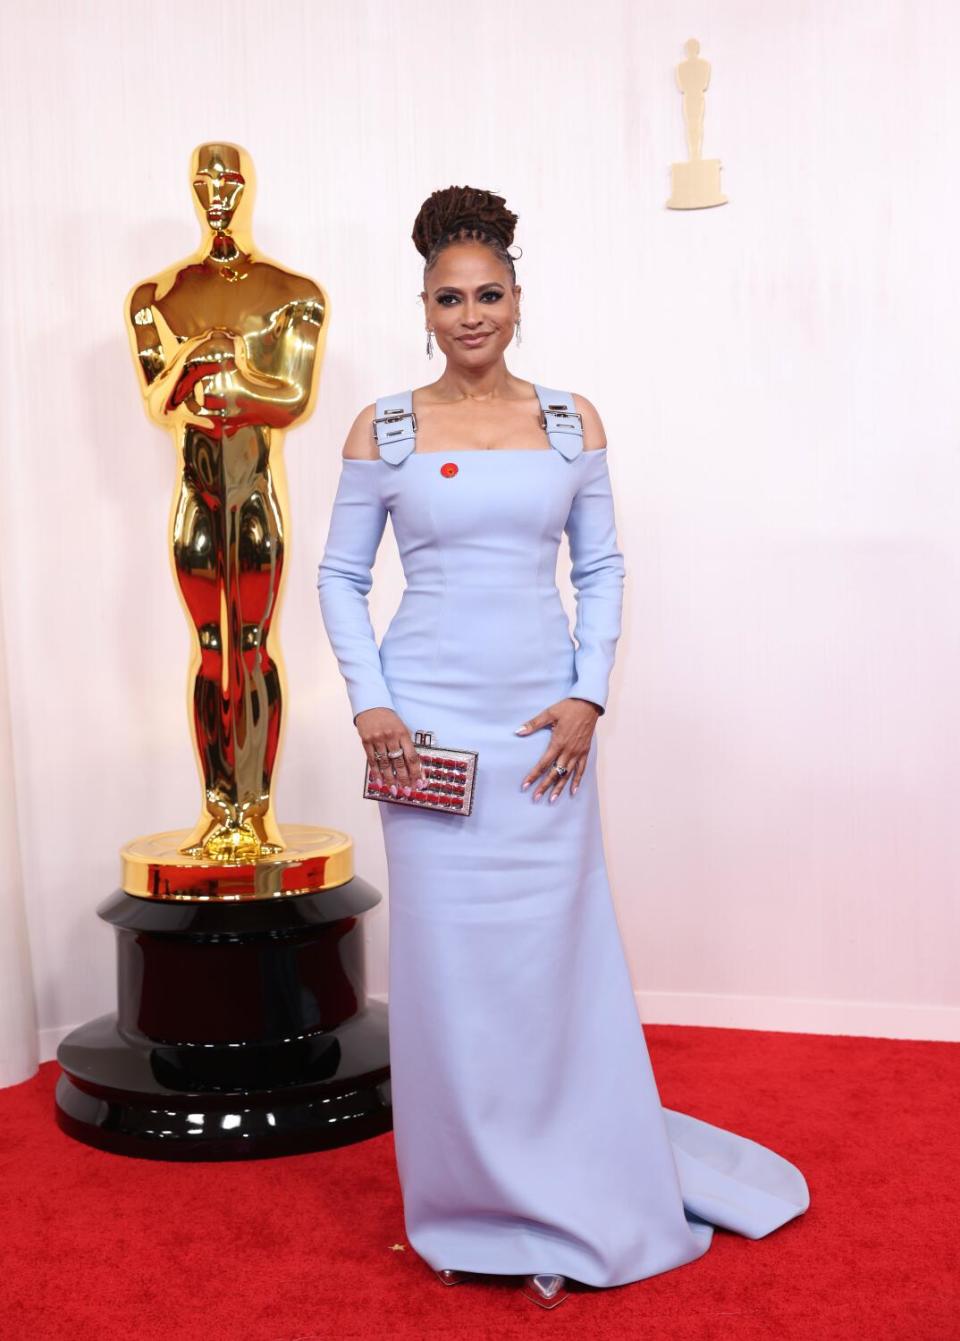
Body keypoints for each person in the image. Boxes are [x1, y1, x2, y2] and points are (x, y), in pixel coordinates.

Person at [316, 185, 809, 1309]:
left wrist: (589, 695)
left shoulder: (571, 422)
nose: (471, 314)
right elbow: (342, 577)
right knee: (447, 976)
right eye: (450, 298)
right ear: (424, 306)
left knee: (552, 965)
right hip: (428, 735)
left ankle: (574, 1179)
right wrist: (372, 704)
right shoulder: (382, 429)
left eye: (489, 294)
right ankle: (468, 1202)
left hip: (545, 738)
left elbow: (603, 567)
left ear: (518, 298)